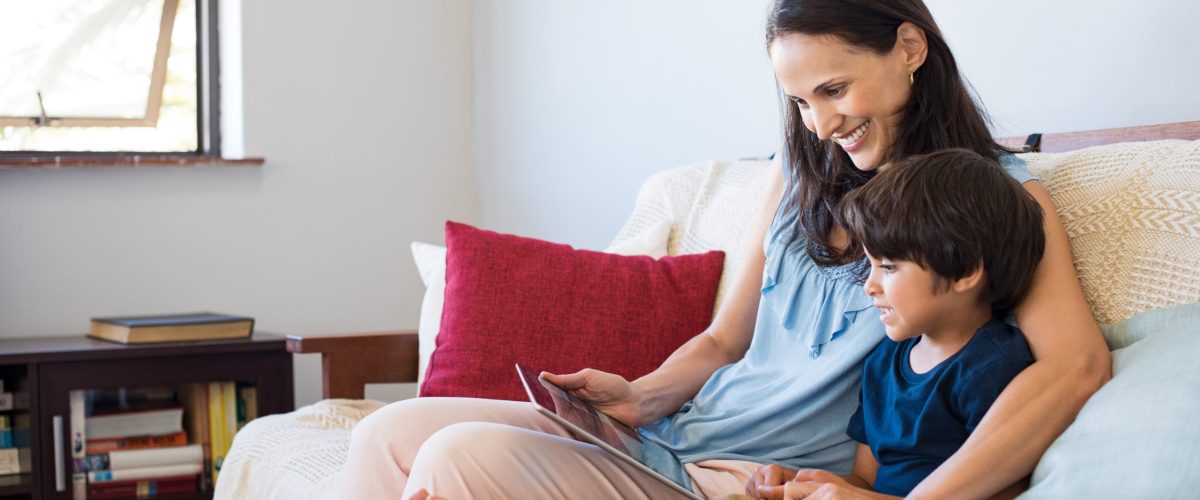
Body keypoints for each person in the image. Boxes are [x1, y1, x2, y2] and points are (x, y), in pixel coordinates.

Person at [339, 1, 1110, 498]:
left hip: (754, 479)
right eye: (801, 102)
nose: (820, 125)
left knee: (461, 458)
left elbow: (1074, 365)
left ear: (910, 46)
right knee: (384, 432)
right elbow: (723, 340)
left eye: (835, 90)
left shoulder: (995, 202)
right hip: (671, 441)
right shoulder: (795, 175)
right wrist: (641, 397)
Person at [776, 149, 1044, 499]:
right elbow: (865, 481)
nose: (869, 285)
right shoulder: (882, 363)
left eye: (888, 267)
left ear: (964, 272)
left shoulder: (994, 369)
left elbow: (1003, 489)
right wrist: (808, 484)